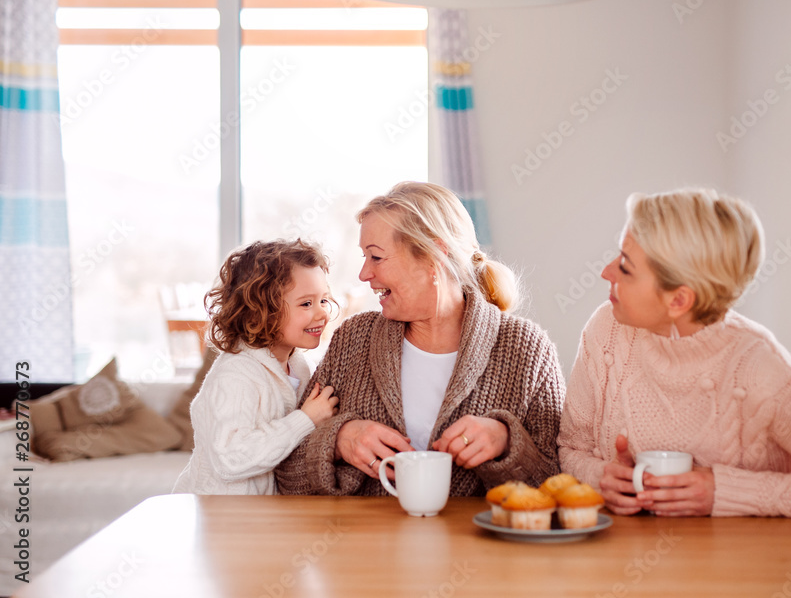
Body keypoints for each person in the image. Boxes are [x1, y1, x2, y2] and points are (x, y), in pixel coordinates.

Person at [558, 188, 791, 518]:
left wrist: (724, 492)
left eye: (625, 266)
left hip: (737, 573)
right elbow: (569, 449)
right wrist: (600, 477)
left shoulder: (758, 369)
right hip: (623, 568)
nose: (606, 272)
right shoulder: (607, 330)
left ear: (679, 300)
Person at [275, 182, 565, 496]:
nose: (363, 274)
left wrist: (507, 443)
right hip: (364, 543)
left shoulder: (527, 349)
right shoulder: (353, 340)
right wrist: (338, 440)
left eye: (376, 257)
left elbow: (559, 483)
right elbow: (286, 473)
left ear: (433, 256)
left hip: (477, 545)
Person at [173, 239, 340, 495]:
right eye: (306, 303)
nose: (322, 314)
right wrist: (305, 419)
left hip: (263, 518)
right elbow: (230, 459)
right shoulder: (237, 374)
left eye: (324, 300)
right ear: (262, 311)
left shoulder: (300, 367)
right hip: (220, 519)